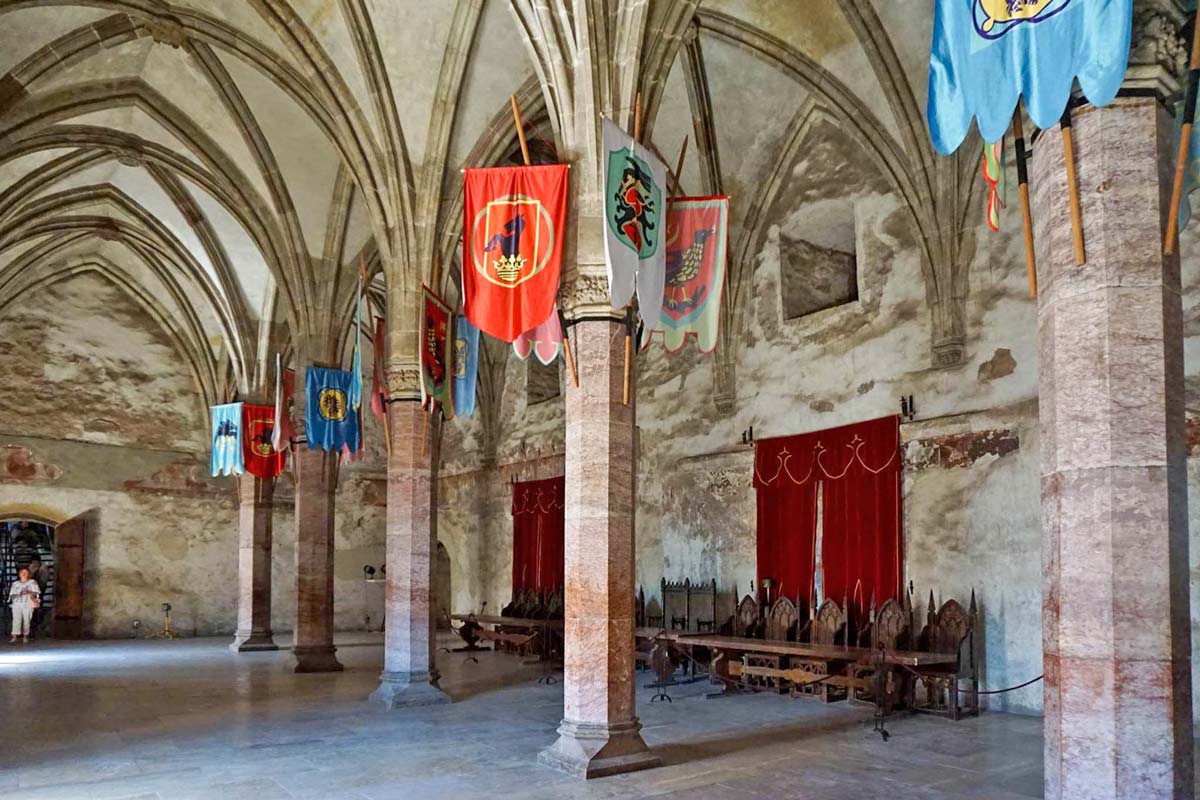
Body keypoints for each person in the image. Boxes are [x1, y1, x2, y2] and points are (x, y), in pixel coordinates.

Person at [9, 566, 40, 643]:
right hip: (17, 604)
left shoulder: (32, 582)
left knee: (27, 620)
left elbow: (36, 592)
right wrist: (18, 594)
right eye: (22, 572)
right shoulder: (15, 583)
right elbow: (12, 594)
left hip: (28, 603)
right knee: (16, 620)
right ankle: (14, 636)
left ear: (28, 574)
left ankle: (25, 636)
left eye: (25, 573)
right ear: (19, 574)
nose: (23, 574)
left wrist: (29, 592)